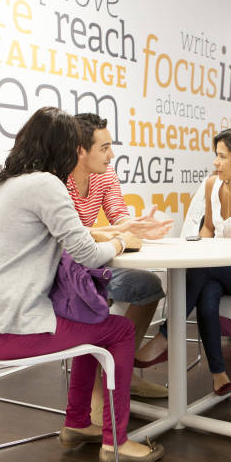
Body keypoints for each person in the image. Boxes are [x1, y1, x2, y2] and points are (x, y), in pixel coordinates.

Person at [0, 106, 164, 462]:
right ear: (63, 147)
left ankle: (78, 421)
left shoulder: (3, 184)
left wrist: (118, 234)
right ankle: (116, 441)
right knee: (119, 330)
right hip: (13, 329)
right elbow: (89, 255)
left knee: (87, 320)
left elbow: (71, 239)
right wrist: (123, 242)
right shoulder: (46, 184)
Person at [134, 126, 231, 395]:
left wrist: (206, 256)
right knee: (208, 290)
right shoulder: (213, 185)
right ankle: (219, 374)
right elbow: (208, 230)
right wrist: (202, 250)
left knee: (204, 269)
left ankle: (164, 338)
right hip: (216, 270)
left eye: (223, 156)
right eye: (217, 155)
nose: (216, 162)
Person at [66, 113, 172, 406]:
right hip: (63, 271)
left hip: (94, 262)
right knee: (95, 297)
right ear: (80, 150)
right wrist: (119, 233)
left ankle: (119, 374)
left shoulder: (106, 173)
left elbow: (118, 215)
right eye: (104, 147)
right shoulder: (55, 181)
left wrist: (136, 227)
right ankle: (101, 391)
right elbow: (68, 236)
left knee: (147, 286)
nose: (112, 154)